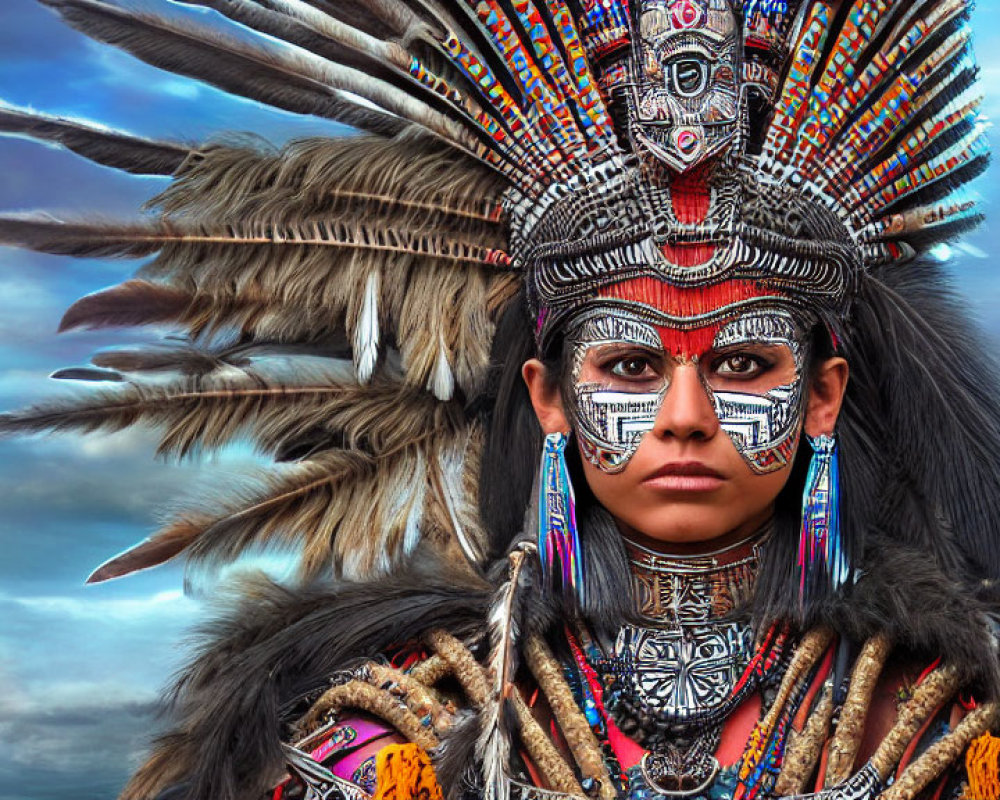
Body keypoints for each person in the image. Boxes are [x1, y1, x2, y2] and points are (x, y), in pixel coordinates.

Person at [1, 0, 999, 798]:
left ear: (822, 395)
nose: (685, 414)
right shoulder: (390, 733)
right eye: (630, 368)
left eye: (741, 366)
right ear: (549, 396)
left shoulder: (949, 726)